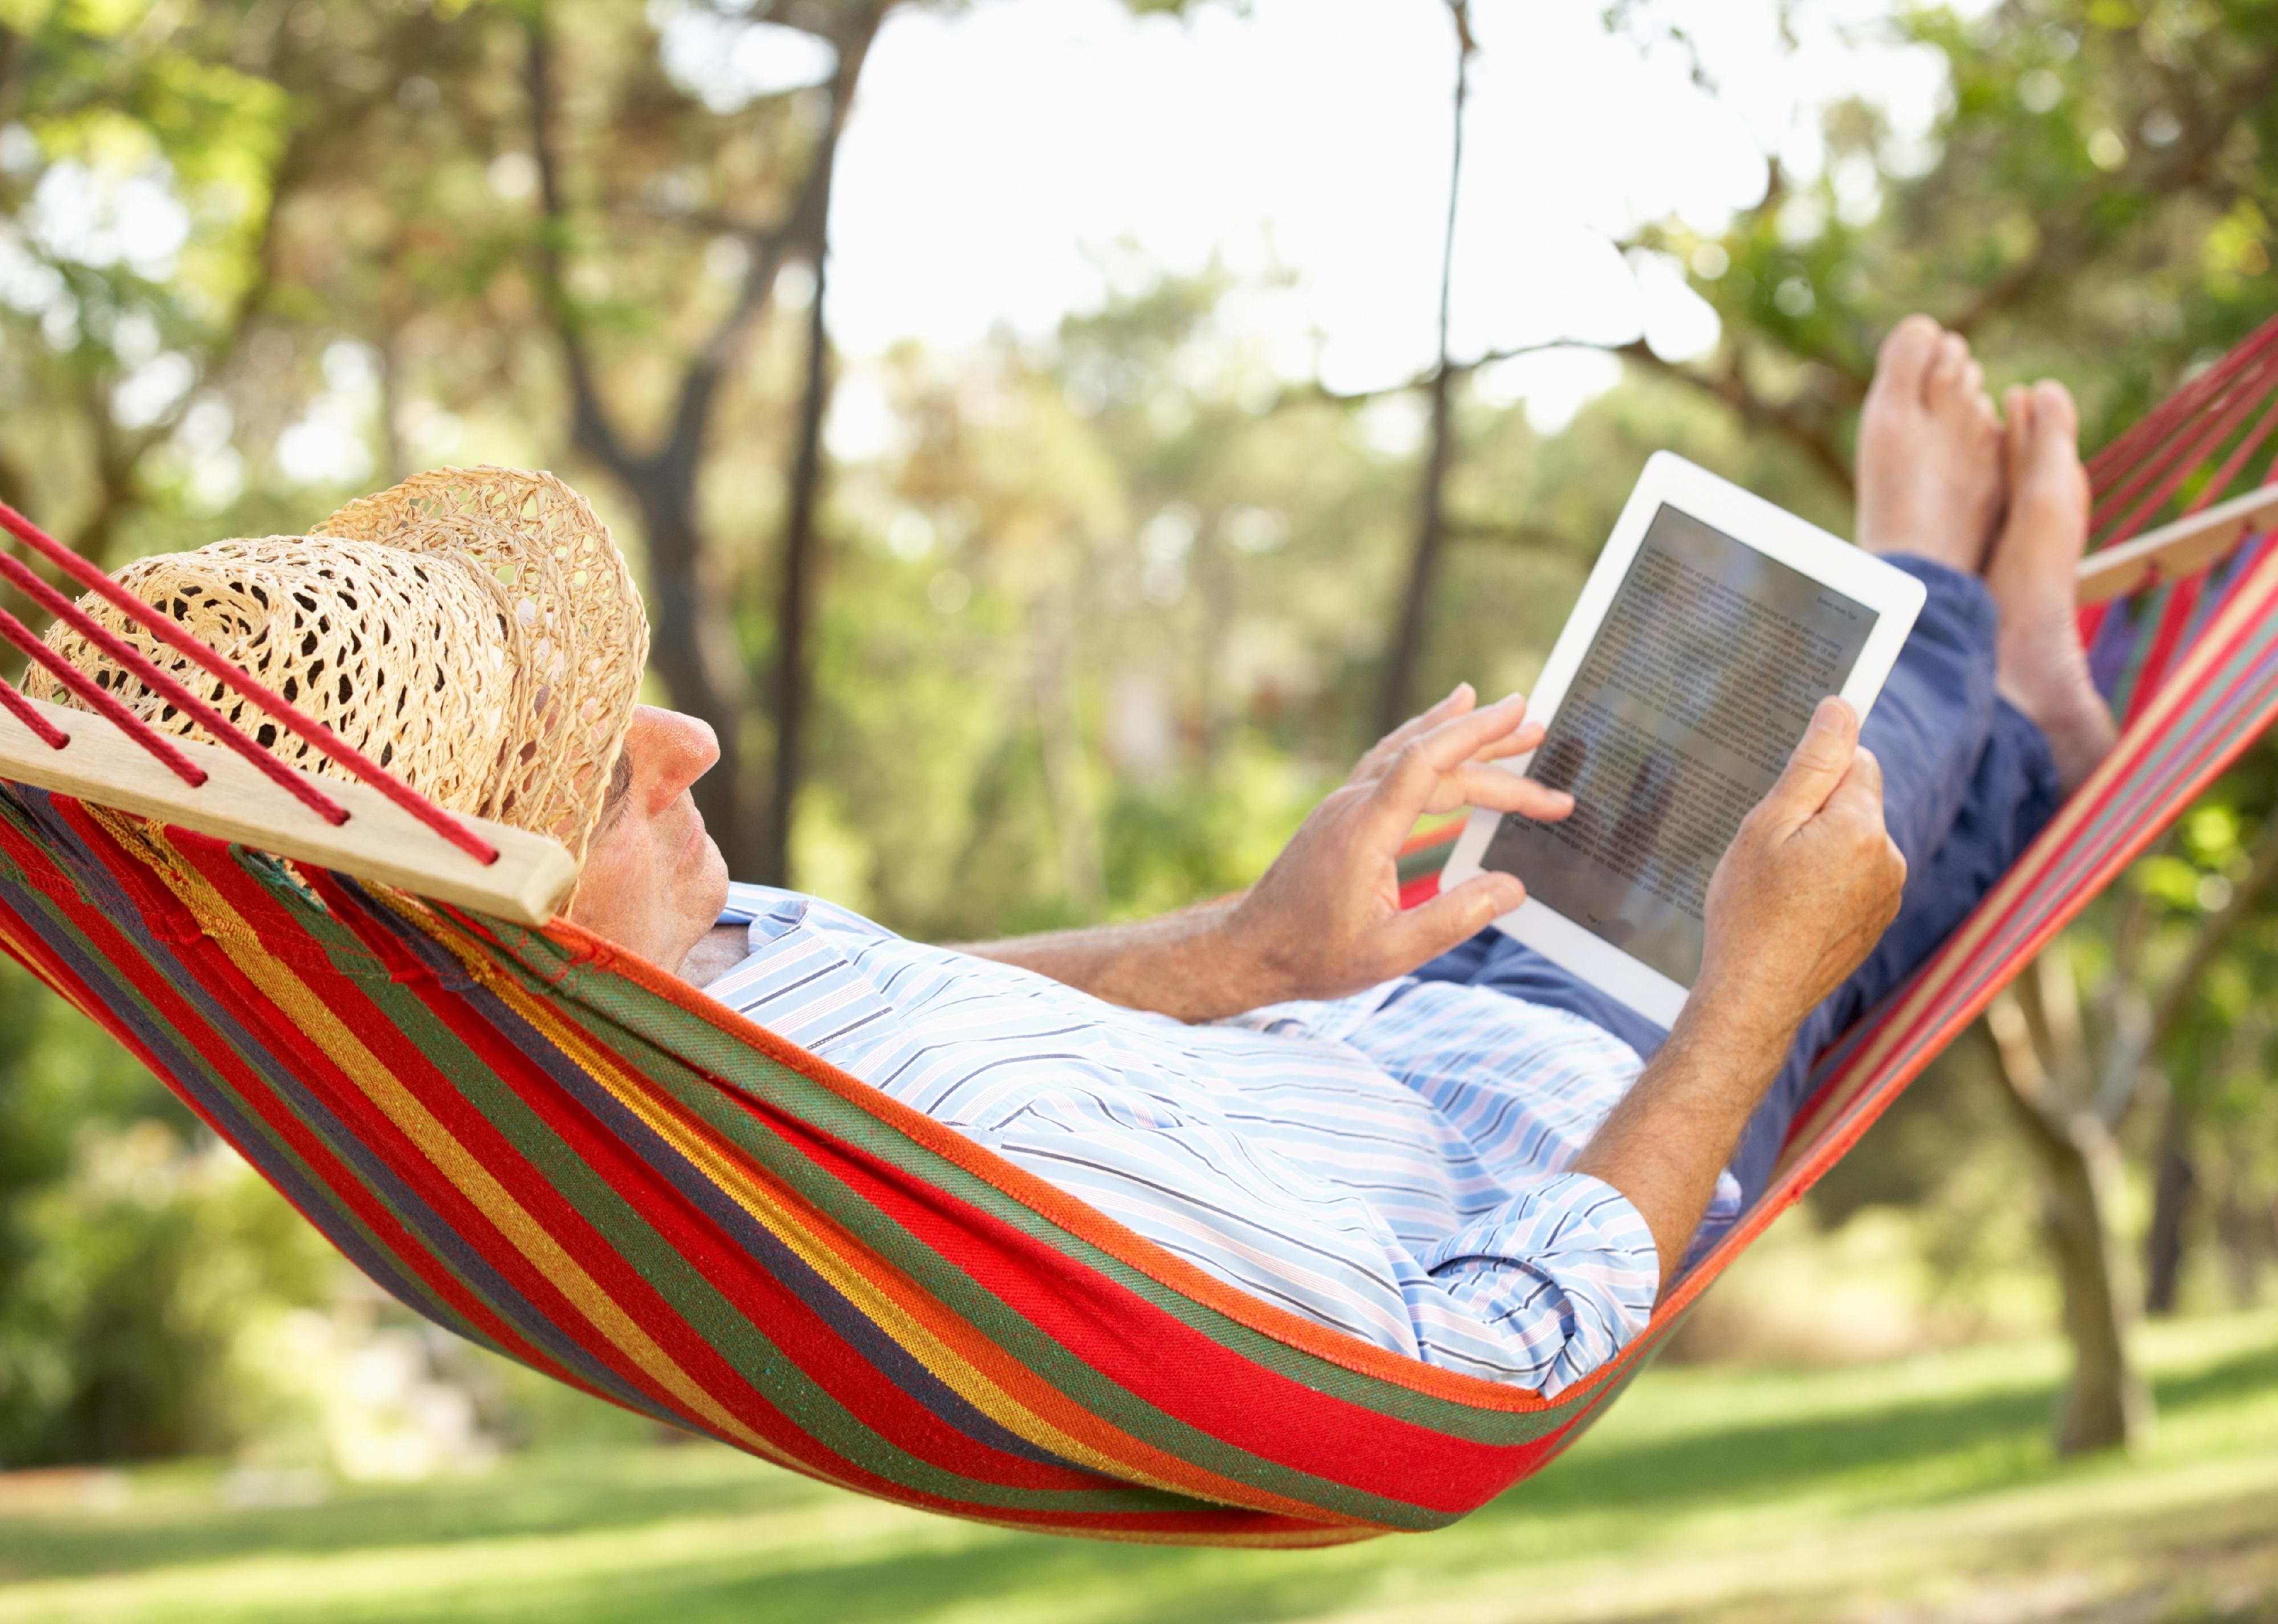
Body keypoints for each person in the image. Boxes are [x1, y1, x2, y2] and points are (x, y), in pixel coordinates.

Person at [51, 317, 2114, 1396]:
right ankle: (1983, 639)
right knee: (1848, 736)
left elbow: (959, 1029)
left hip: (1398, 1016)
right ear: (491, 923)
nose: (685, 742)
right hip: (1587, 1107)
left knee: (1718, 749)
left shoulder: (683, 1009)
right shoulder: (710, 1125)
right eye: (597, 776)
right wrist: (1754, 987)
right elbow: (1491, 1345)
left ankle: (2020, 712)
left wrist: (1251, 944)